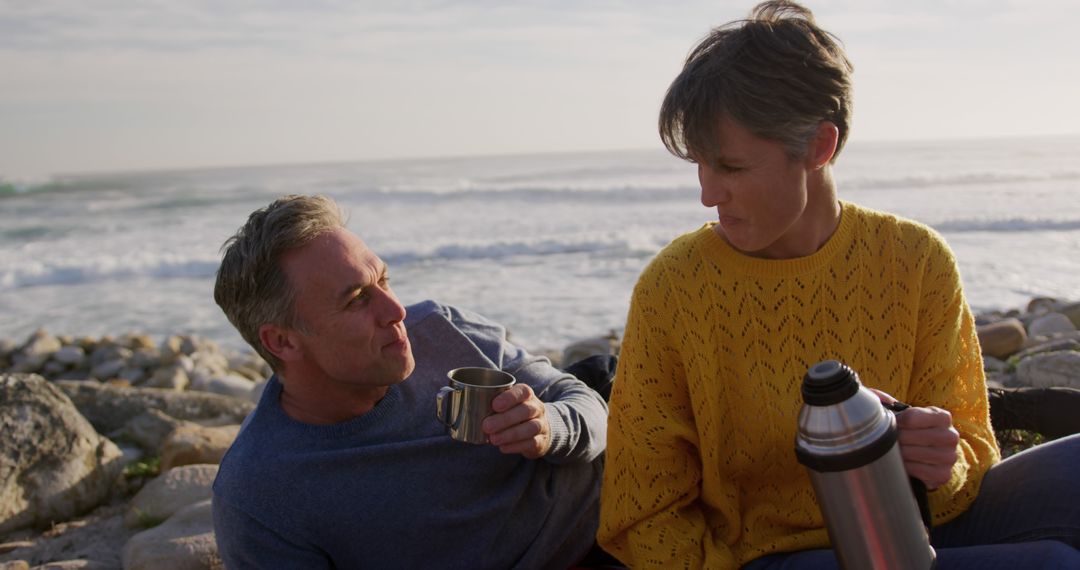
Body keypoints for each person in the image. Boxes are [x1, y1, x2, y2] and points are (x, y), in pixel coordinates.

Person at [596, 2, 1080, 568]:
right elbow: (643, 514)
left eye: (730, 168)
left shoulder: (914, 259)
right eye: (699, 165)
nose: (708, 194)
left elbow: (971, 451)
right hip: (773, 557)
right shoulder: (675, 289)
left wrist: (940, 461)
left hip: (919, 525)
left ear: (819, 148)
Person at [211, 194, 609, 569]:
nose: (396, 310)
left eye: (383, 281)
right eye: (356, 299)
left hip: (621, 508)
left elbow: (583, 401)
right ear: (282, 341)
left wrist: (549, 426)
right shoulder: (259, 496)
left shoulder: (440, 328)